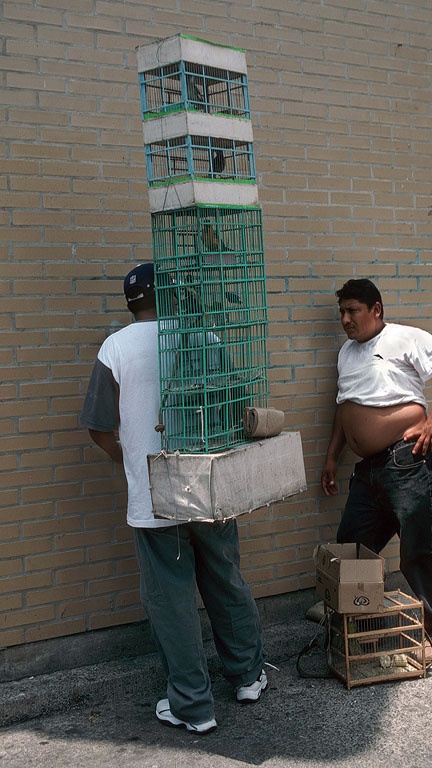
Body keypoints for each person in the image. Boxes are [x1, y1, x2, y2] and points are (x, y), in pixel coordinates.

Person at [80, 262, 267, 734]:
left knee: (171, 599)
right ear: (168, 295)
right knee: (225, 580)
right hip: (208, 483)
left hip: (153, 491)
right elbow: (236, 408)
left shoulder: (115, 347)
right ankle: (247, 676)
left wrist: (129, 456)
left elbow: (99, 426)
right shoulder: (204, 338)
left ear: (131, 303)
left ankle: (193, 706)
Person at [320, 279, 432, 664]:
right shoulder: (346, 353)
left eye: (353, 310)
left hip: (407, 459)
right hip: (368, 469)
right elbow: (345, 407)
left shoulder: (405, 338)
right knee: (353, 547)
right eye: (342, 312)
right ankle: (361, 630)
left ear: (377, 309)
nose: (345, 319)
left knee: (421, 546)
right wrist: (333, 456)